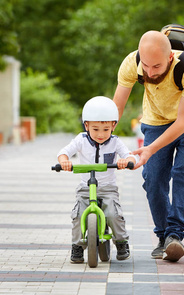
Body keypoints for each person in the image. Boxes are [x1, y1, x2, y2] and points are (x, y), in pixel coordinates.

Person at [113, 31, 184, 262]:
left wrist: (150, 149)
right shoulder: (132, 63)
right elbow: (116, 108)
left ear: (170, 58)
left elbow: (182, 122)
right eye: (146, 66)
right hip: (155, 120)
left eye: (156, 66)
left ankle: (174, 234)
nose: (149, 72)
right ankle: (163, 238)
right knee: (153, 178)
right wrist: (102, 136)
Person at [57, 96, 137, 263]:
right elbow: (64, 151)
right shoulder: (81, 139)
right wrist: (64, 161)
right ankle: (77, 246)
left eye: (106, 129)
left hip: (108, 188)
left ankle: (122, 241)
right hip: (85, 188)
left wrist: (127, 161)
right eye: (95, 129)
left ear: (113, 126)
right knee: (78, 215)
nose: (101, 134)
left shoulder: (115, 142)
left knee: (114, 214)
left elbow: (130, 156)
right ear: (86, 125)